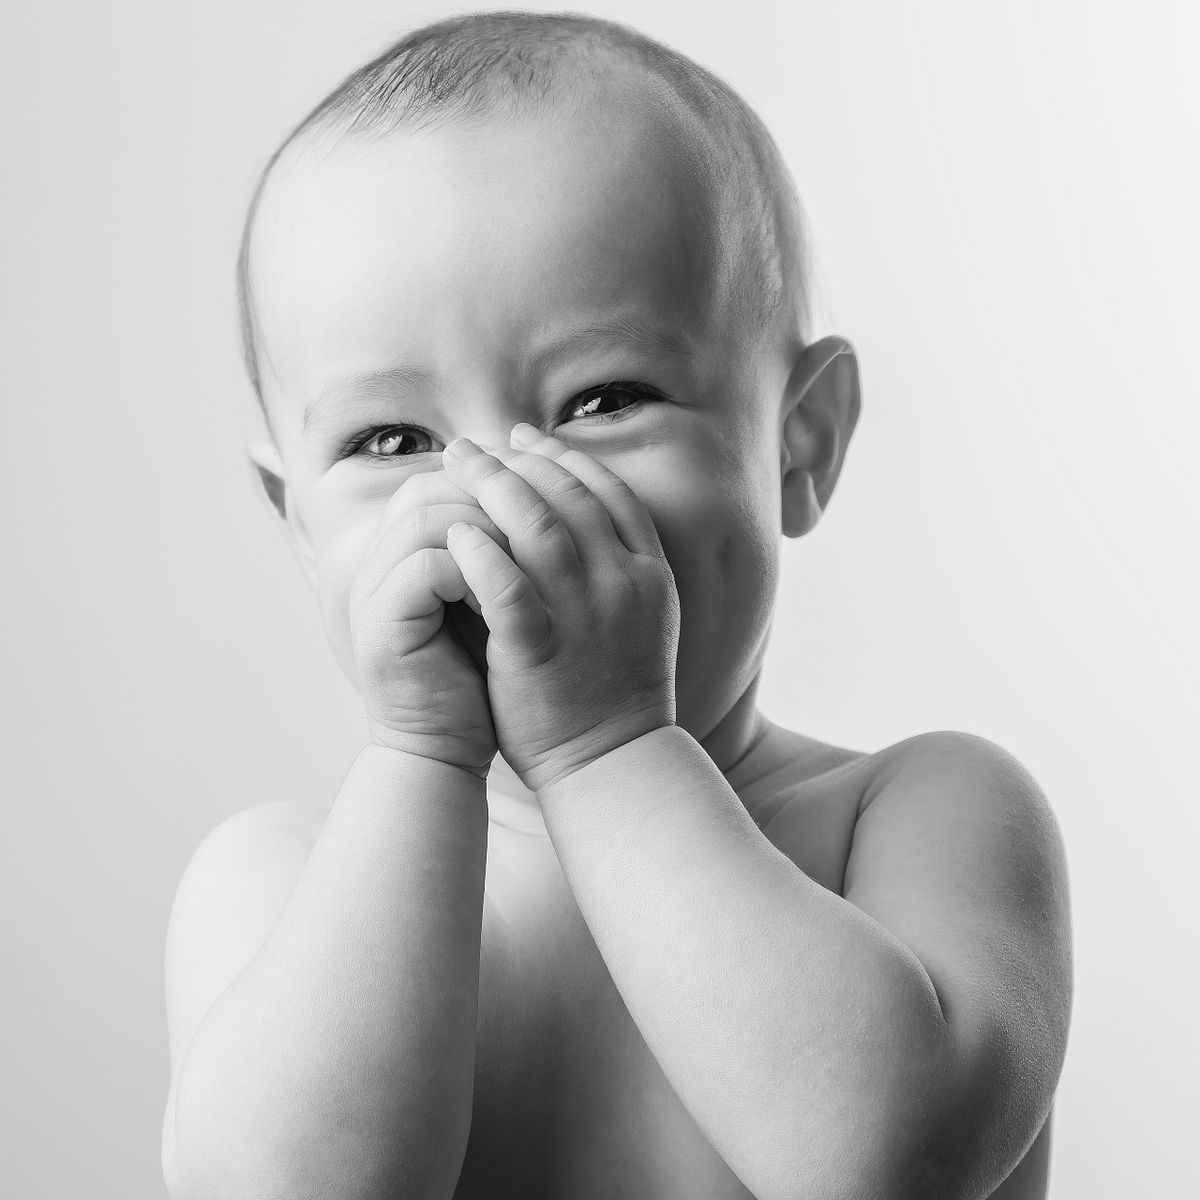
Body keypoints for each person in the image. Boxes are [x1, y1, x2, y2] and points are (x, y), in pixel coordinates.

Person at [161, 11, 1072, 1199]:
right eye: (393, 438)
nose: (498, 498)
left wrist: (609, 752)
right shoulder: (276, 884)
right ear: (298, 522)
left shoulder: (921, 815)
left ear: (798, 445)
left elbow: (887, 1161)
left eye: (602, 400)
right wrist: (424, 759)